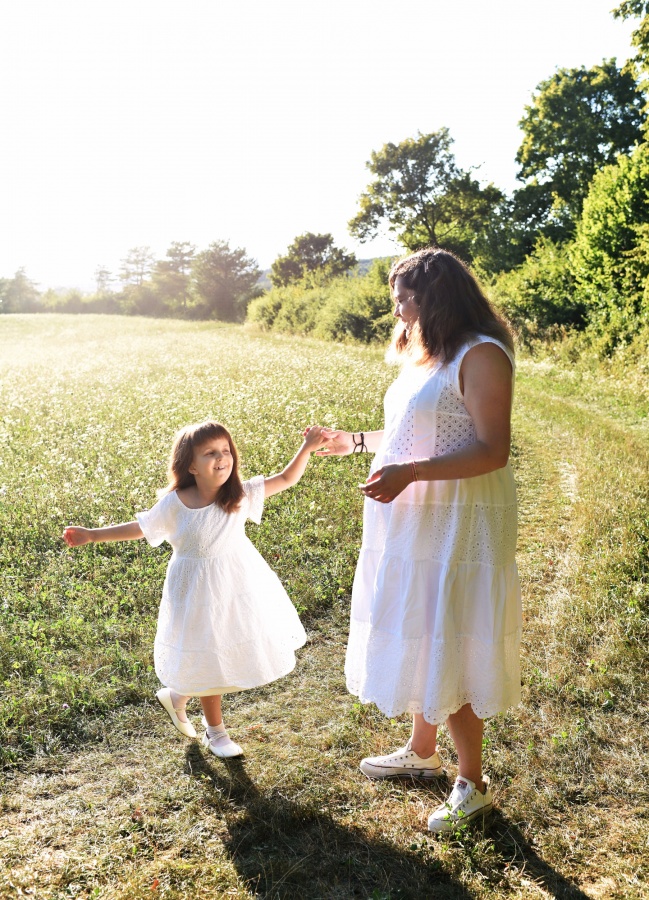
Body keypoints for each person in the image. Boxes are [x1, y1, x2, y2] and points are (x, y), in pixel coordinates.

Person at [317, 248, 521, 833]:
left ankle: (471, 784)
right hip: (415, 517)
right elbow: (418, 428)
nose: (397, 310)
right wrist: (357, 441)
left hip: (458, 517)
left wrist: (410, 472)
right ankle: (422, 750)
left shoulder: (481, 353)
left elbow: (492, 449)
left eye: (404, 298)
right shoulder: (427, 354)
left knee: (446, 633)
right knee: (421, 623)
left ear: (435, 297)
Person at [63, 420, 324, 759]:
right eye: (210, 453)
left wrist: (307, 447)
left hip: (236, 584)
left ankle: (177, 696)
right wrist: (92, 535)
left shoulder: (239, 494)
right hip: (195, 591)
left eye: (226, 450)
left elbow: (287, 478)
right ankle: (216, 732)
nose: (221, 458)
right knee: (208, 653)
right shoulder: (176, 502)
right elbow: (142, 528)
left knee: (227, 647)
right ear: (191, 466)